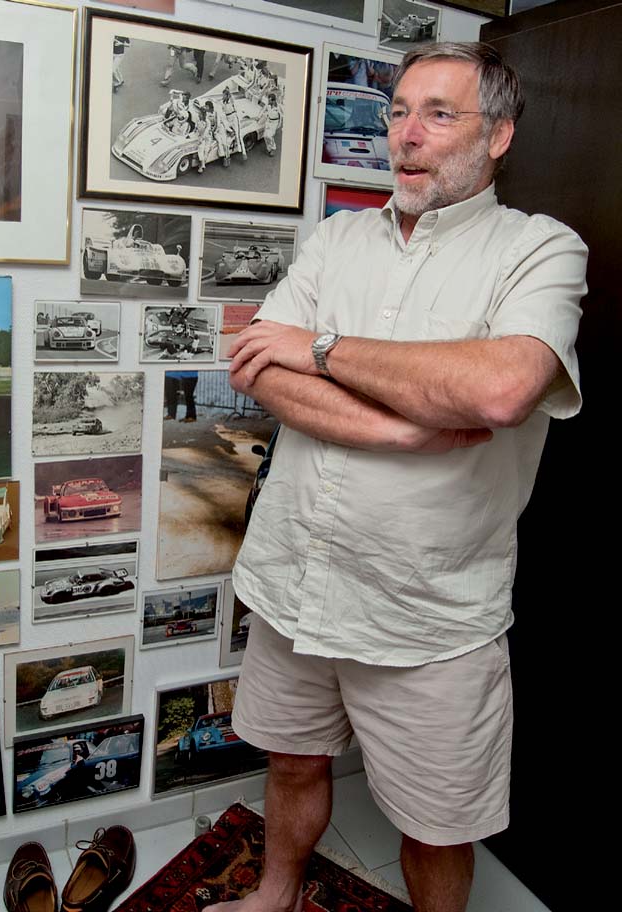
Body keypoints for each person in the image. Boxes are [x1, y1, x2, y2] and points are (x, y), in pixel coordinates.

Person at [208, 42, 587, 912]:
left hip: (427, 612)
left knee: (436, 822)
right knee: (292, 759)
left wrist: (325, 348)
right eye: (398, 112)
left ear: (498, 135)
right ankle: (274, 894)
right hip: (295, 580)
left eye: (438, 115)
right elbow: (260, 370)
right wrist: (405, 424)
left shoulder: (540, 250)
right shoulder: (339, 239)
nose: (406, 136)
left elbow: (499, 388)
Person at [221, 86, 247, 161]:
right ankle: (227, 155)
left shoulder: (231, 100)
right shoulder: (223, 103)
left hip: (234, 118)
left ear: (227, 96)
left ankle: (244, 153)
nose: (223, 97)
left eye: (224, 95)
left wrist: (228, 90)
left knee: (238, 135)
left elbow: (231, 97)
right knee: (226, 135)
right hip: (228, 119)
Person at [261, 93, 283, 157]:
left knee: (269, 136)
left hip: (274, 123)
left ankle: (273, 148)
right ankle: (269, 149)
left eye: (270, 100)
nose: (268, 101)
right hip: (268, 122)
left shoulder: (278, 107)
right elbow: (263, 110)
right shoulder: (268, 105)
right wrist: (259, 117)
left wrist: (279, 125)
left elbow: (281, 116)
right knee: (265, 136)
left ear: (273, 101)